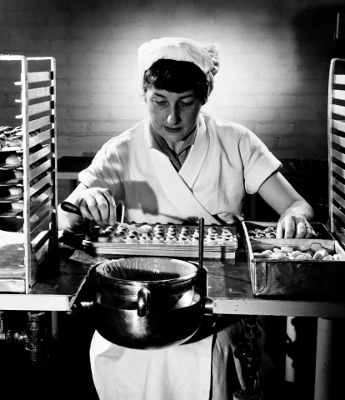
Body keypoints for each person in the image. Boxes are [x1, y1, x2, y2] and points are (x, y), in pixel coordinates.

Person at [58, 37, 314, 400]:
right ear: (144, 94)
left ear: (204, 97)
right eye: (159, 102)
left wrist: (295, 217)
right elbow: (65, 217)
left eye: (185, 103)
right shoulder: (121, 149)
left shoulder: (236, 141)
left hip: (217, 304)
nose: (171, 118)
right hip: (140, 303)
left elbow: (298, 205)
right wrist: (85, 199)